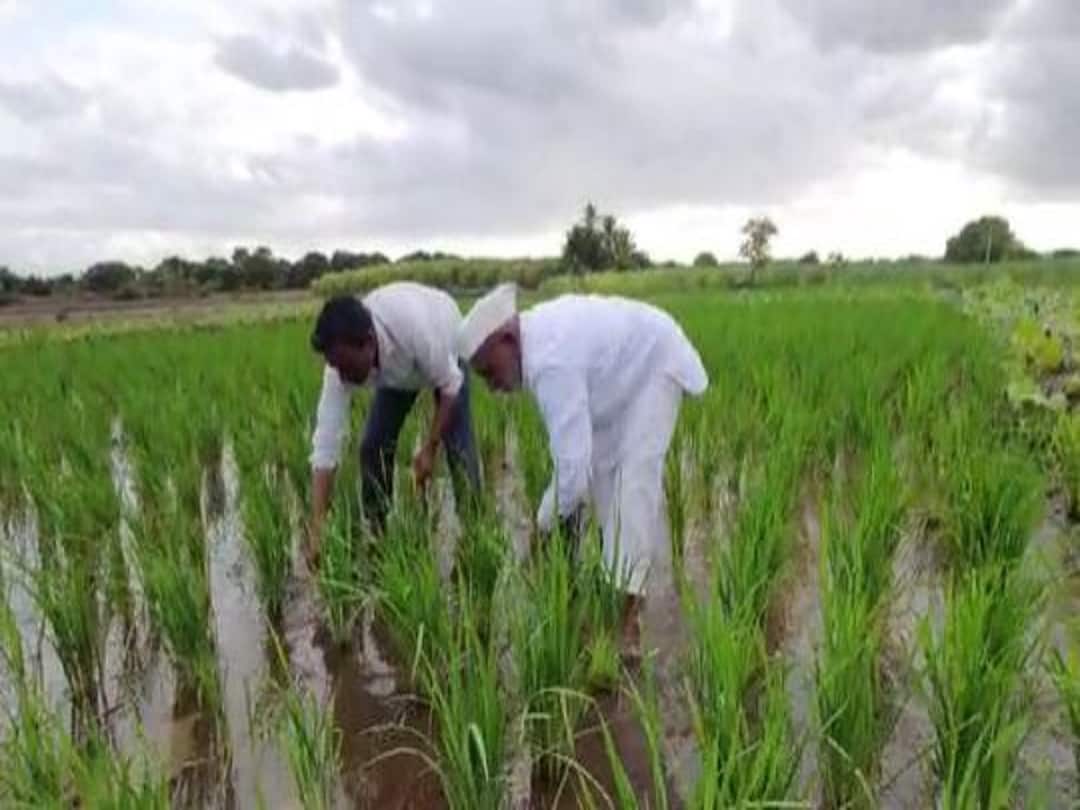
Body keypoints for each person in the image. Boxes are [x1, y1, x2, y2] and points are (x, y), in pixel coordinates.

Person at [457, 283, 707, 651]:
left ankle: (626, 629)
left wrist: (540, 530)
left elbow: (572, 475)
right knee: (604, 478)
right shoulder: (537, 344)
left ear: (507, 340)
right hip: (616, 381)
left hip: (654, 363)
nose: (493, 387)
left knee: (632, 488)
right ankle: (615, 592)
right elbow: (578, 465)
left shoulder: (551, 361)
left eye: (490, 372)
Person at [305, 282, 480, 566]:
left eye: (348, 367)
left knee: (459, 448)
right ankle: (377, 531)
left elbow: (450, 386)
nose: (343, 377)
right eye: (336, 368)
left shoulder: (416, 330)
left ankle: (474, 531)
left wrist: (430, 448)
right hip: (398, 371)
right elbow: (325, 445)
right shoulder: (339, 367)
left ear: (368, 342)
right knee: (373, 447)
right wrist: (317, 528)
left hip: (445, 346)